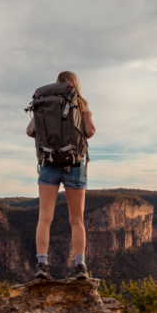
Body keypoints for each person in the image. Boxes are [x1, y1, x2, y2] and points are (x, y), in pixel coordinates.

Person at [26, 70, 96, 281]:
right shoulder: (81, 103)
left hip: (48, 163)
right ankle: (80, 266)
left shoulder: (45, 103)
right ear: (74, 85)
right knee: (76, 220)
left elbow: (30, 131)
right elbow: (90, 131)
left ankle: (41, 265)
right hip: (73, 164)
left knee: (44, 218)